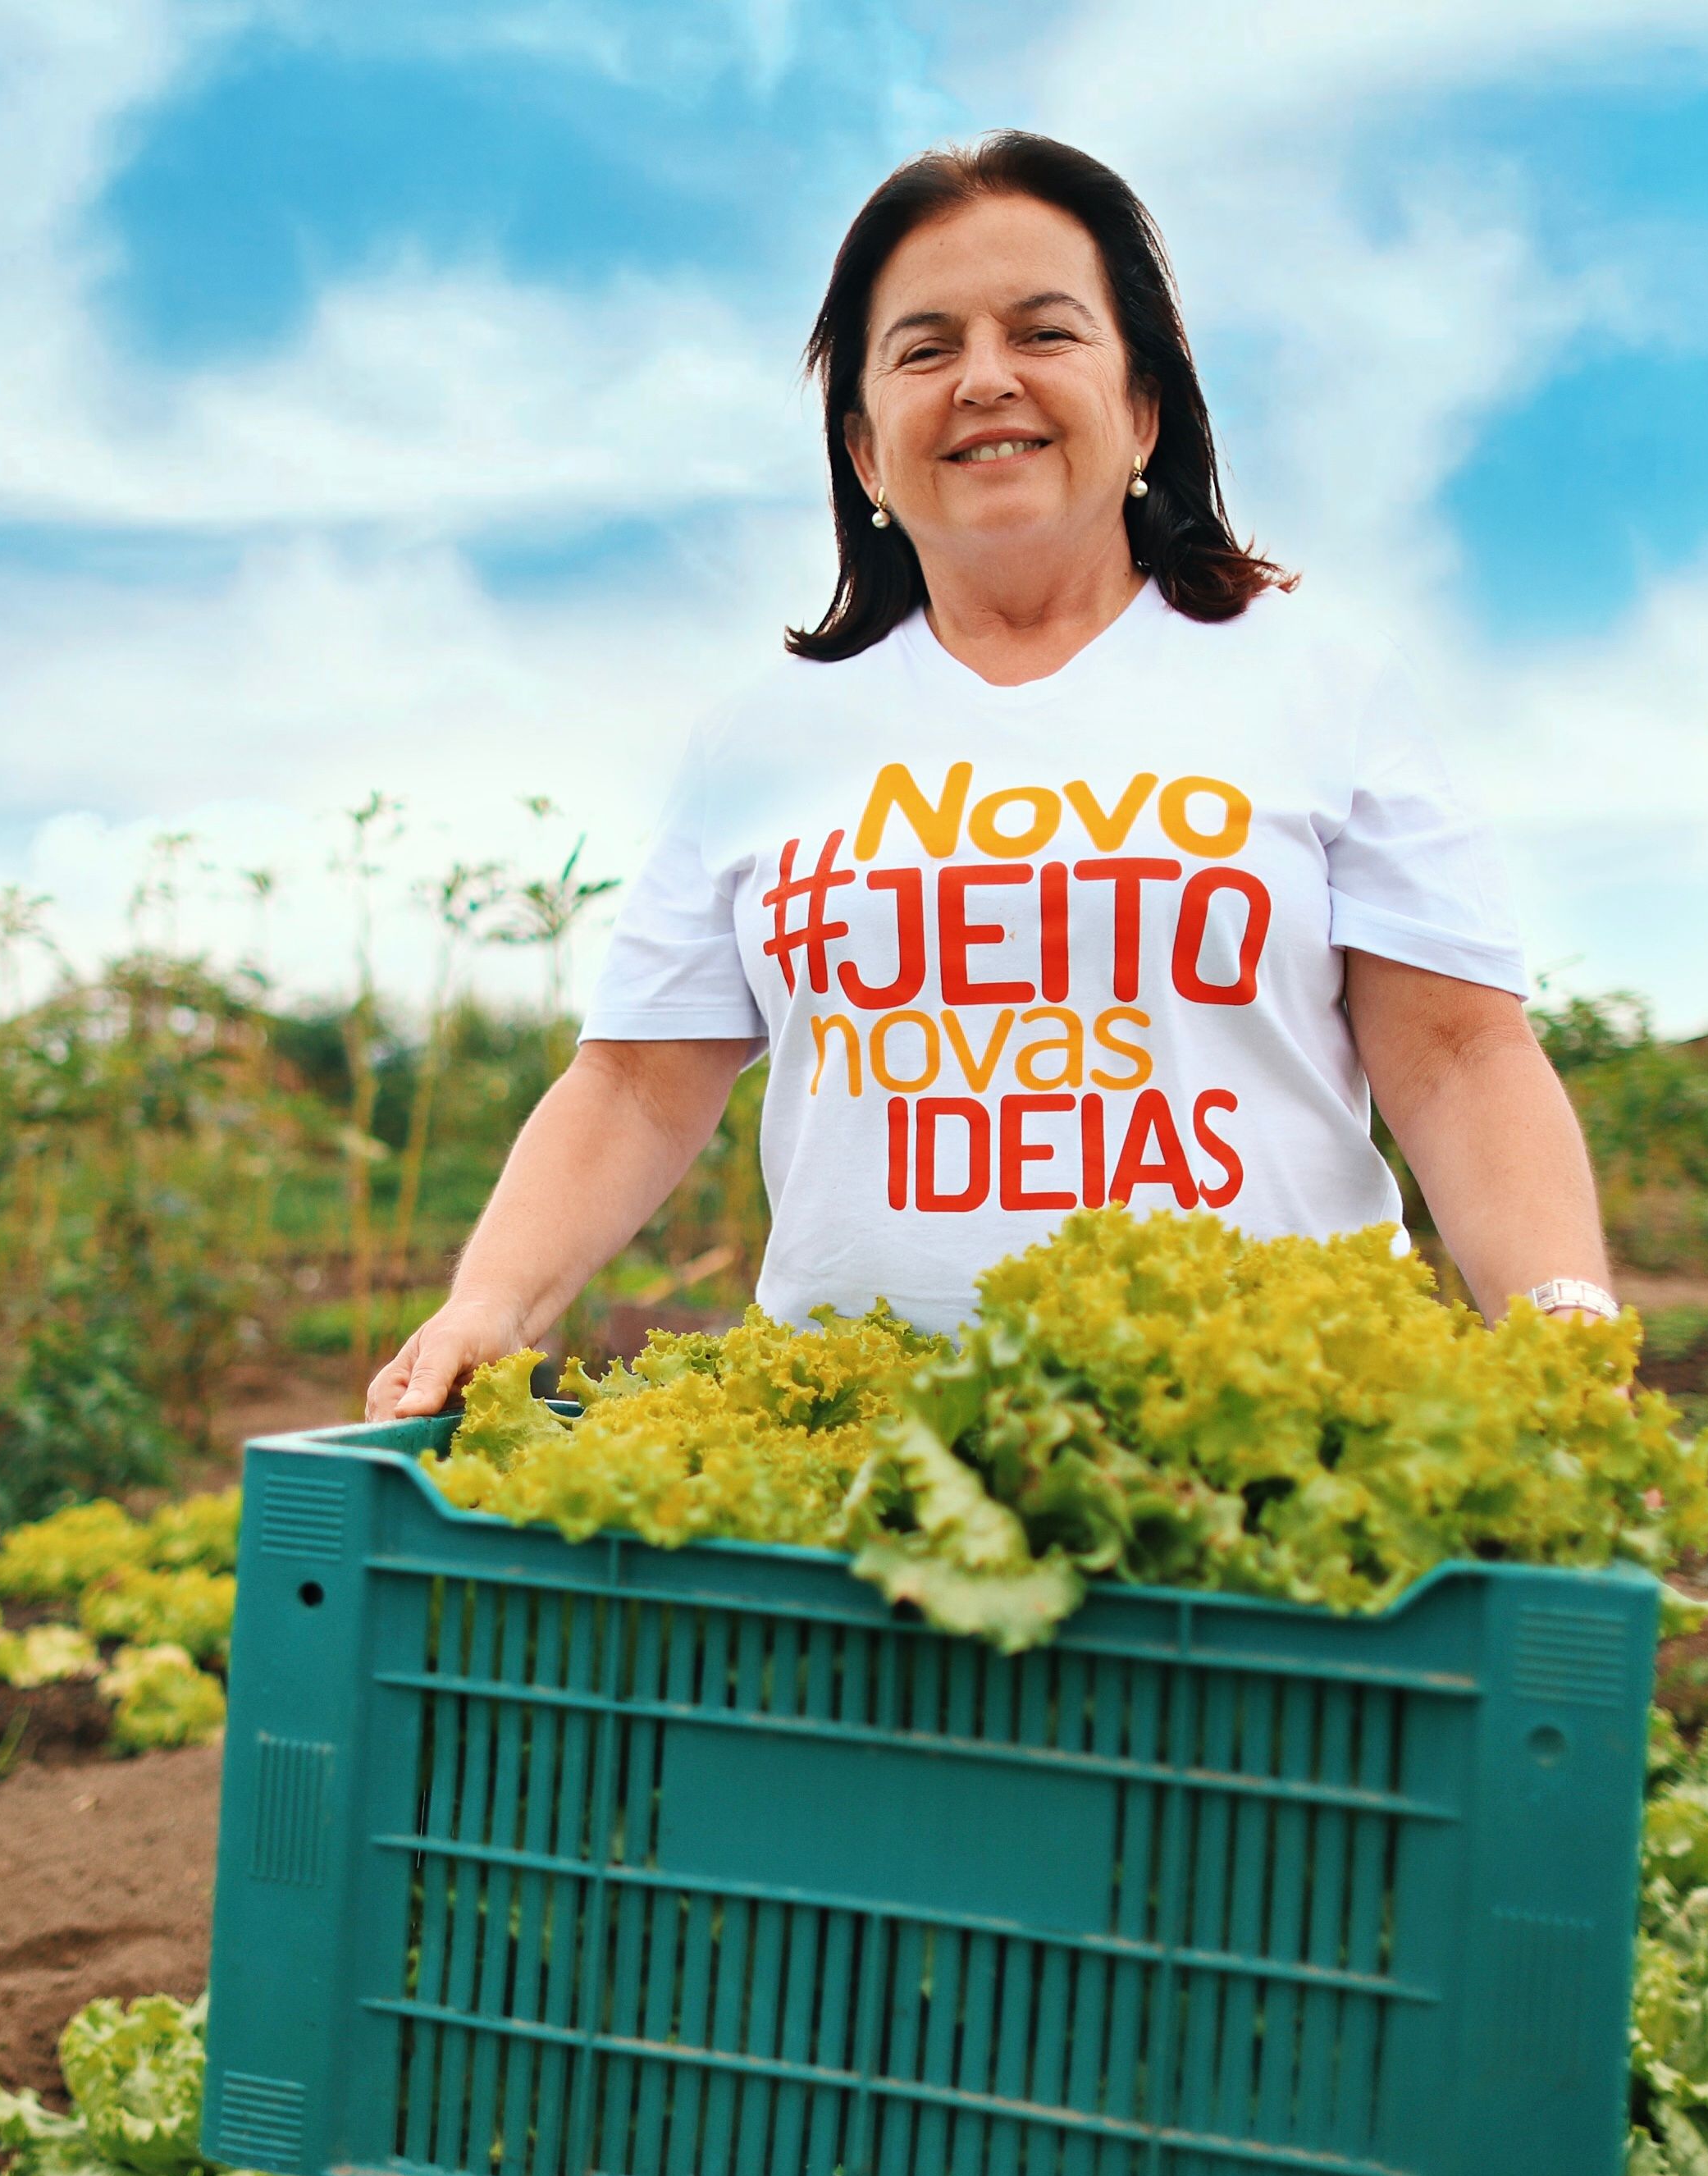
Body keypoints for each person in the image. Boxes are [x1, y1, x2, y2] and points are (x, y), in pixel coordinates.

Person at [372, 131, 1616, 1421]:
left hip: (1263, 1445)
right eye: (924, 349)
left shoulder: (1316, 684)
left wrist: (1564, 1319)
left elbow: (1461, 1056)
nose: (984, 381)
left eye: (1044, 333)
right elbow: (635, 1082)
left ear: (1143, 410)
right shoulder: (766, 736)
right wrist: (490, 1305)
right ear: (864, 452)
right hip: (864, 1465)